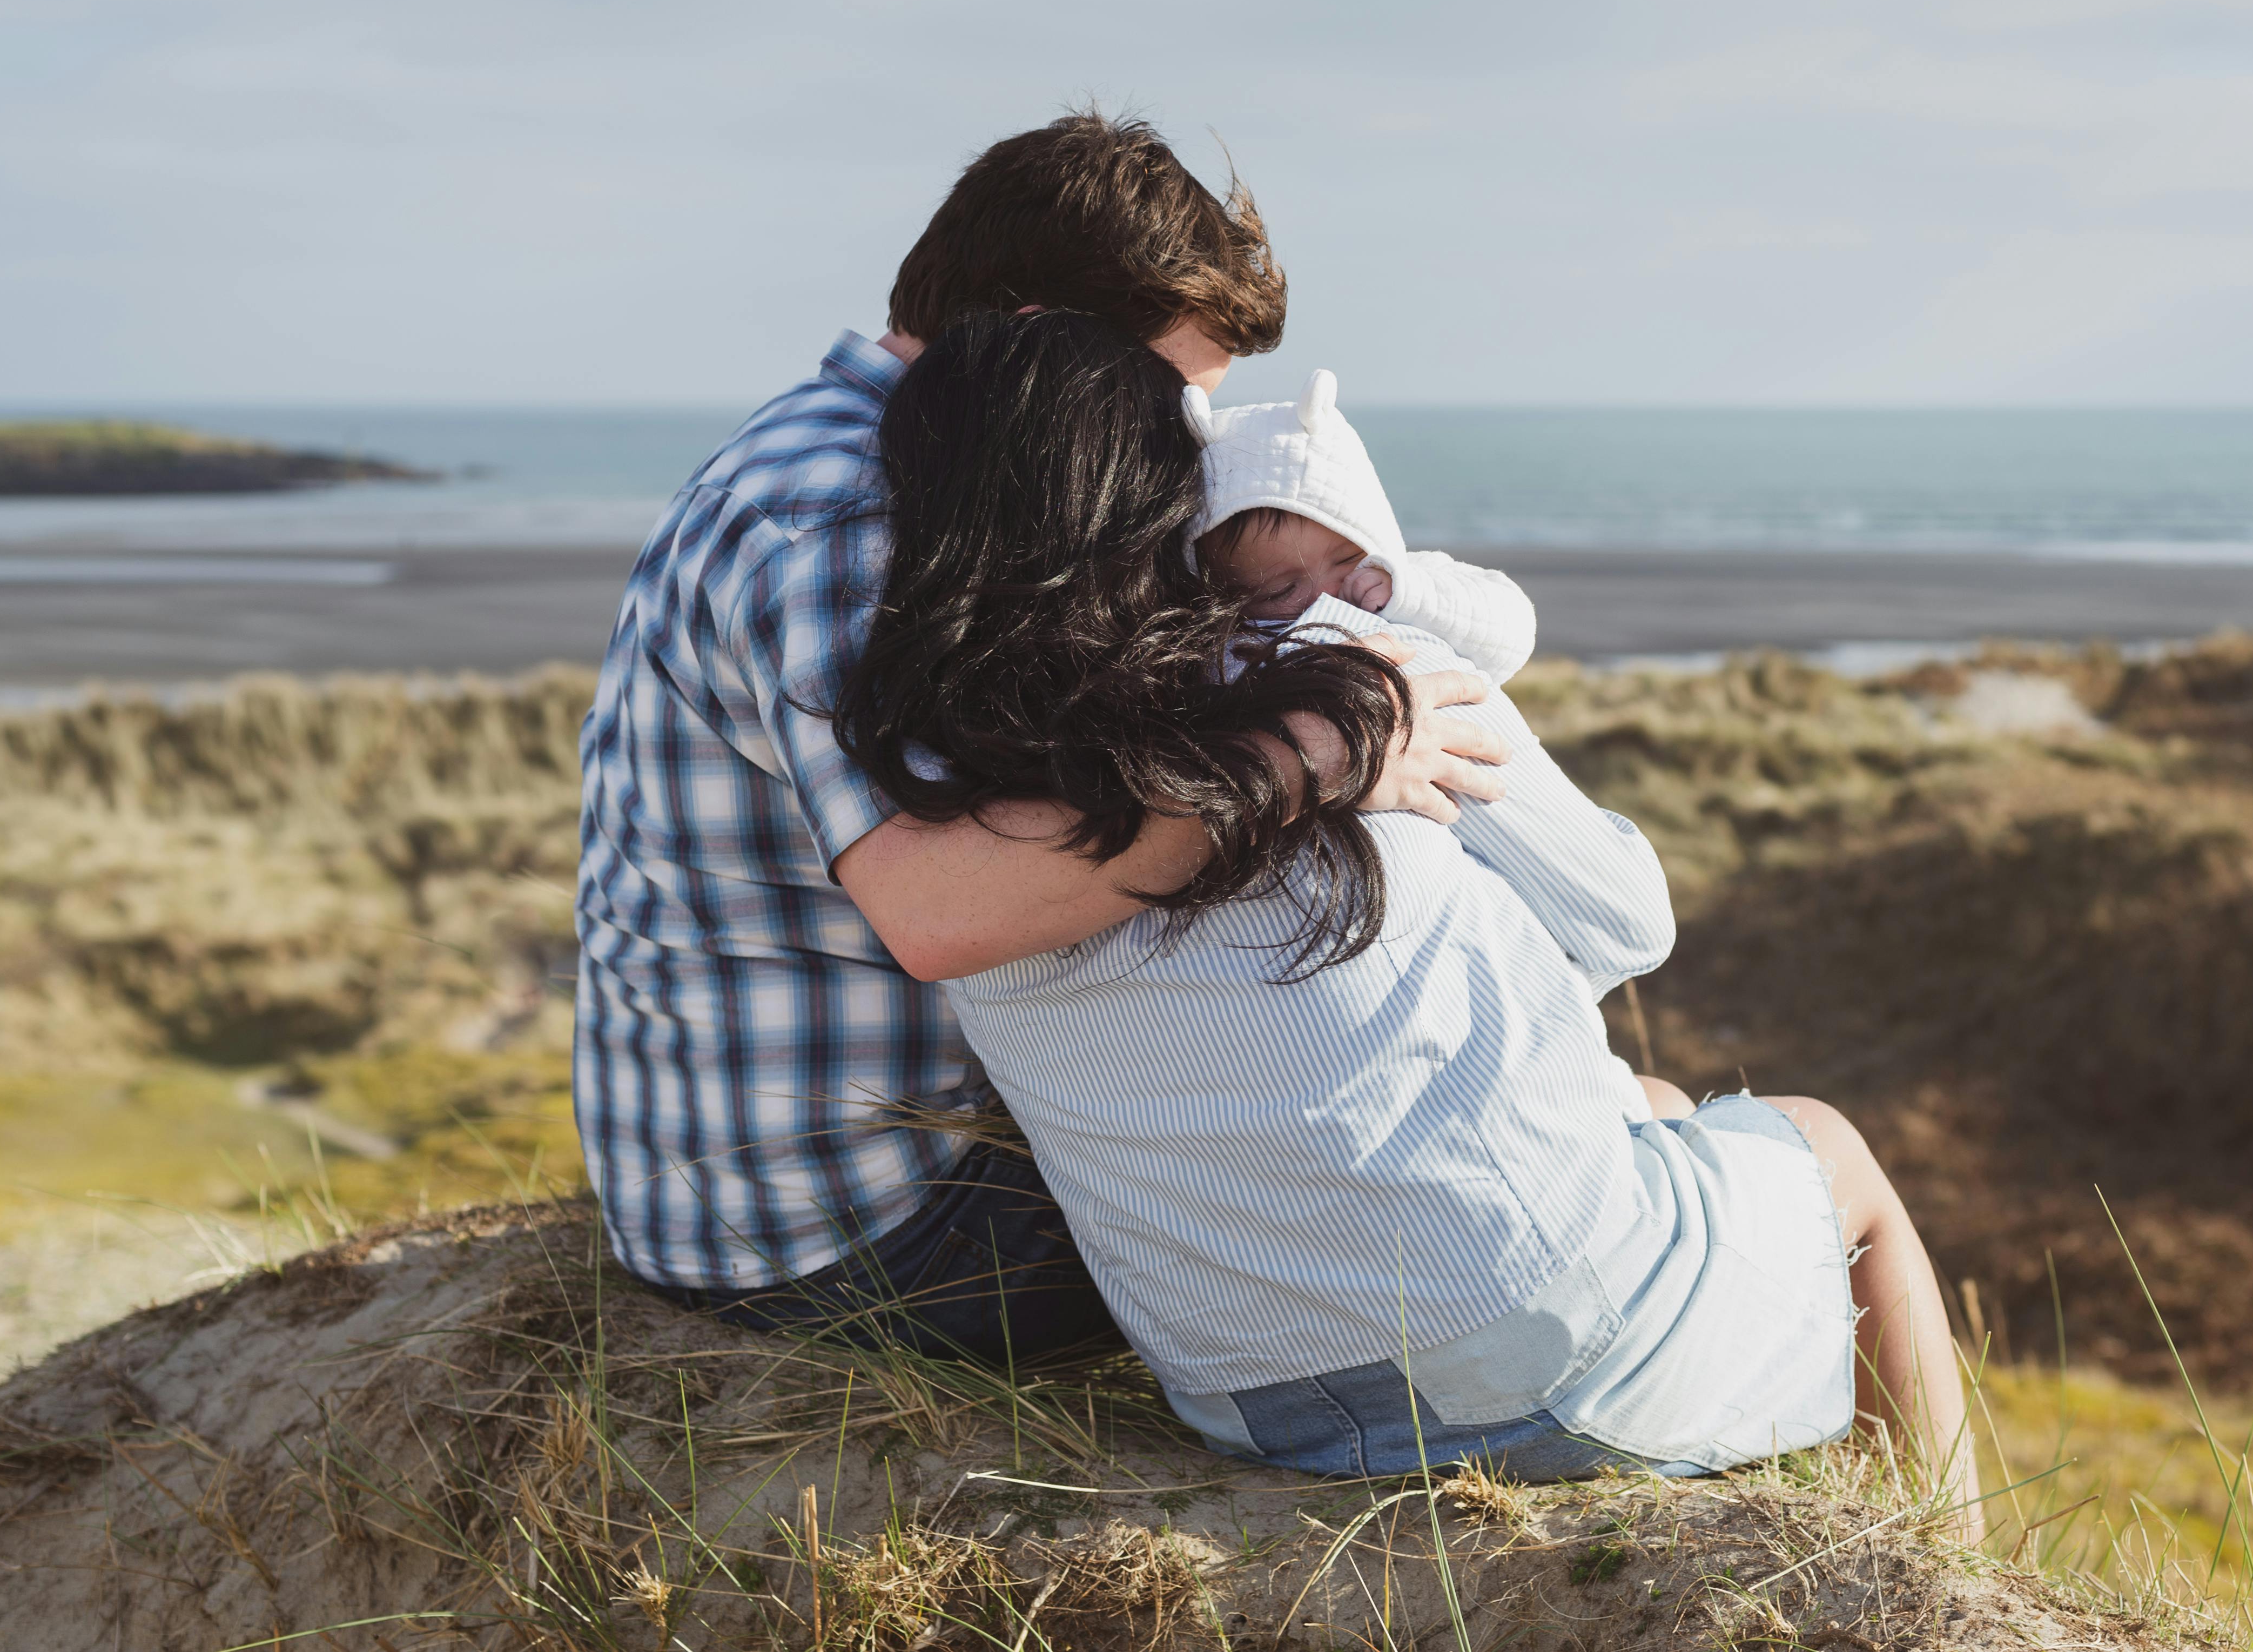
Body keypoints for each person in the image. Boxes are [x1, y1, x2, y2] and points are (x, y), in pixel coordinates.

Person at [853, 309, 1982, 1520]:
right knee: (1830, 1151)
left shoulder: (926, 785)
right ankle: (1962, 1571)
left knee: (1650, 1113)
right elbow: (1624, 926)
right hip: (1535, 1346)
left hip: (1248, 1395)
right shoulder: (1341, 670)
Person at [571, 113, 1511, 1356]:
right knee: (1471, 1220)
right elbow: (941, 908)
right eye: (1167, 397)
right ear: (1037, 337)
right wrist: (1307, 758)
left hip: (782, 1194)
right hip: (867, 1230)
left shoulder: (857, 462)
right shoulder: (850, 510)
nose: (1181, 445)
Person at [1183, 367, 1539, 682]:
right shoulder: (1237, 650)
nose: (1326, 596)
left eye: (1346, 559)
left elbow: (1514, 631)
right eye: (1281, 591)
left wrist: (1411, 595)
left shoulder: (1414, 578)